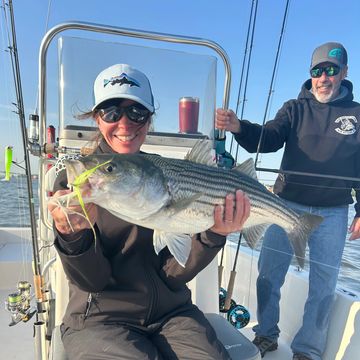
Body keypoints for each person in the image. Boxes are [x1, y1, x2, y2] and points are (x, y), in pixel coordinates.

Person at [48, 63, 251, 360]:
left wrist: (214, 234)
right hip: (101, 319)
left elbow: (173, 275)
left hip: (173, 312)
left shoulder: (162, 172)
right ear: (97, 119)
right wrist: (73, 238)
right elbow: (92, 283)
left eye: (137, 113)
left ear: (150, 119)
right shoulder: (76, 183)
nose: (125, 124)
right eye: (112, 112)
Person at [215, 42, 360, 360]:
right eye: (318, 71)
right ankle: (265, 333)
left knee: (323, 286)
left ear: (344, 73)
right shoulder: (294, 109)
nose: (324, 78)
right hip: (286, 203)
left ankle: (307, 349)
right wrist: (240, 127)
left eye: (331, 70)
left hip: (334, 212)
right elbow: (268, 137)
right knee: (269, 273)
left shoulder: (357, 114)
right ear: (311, 75)